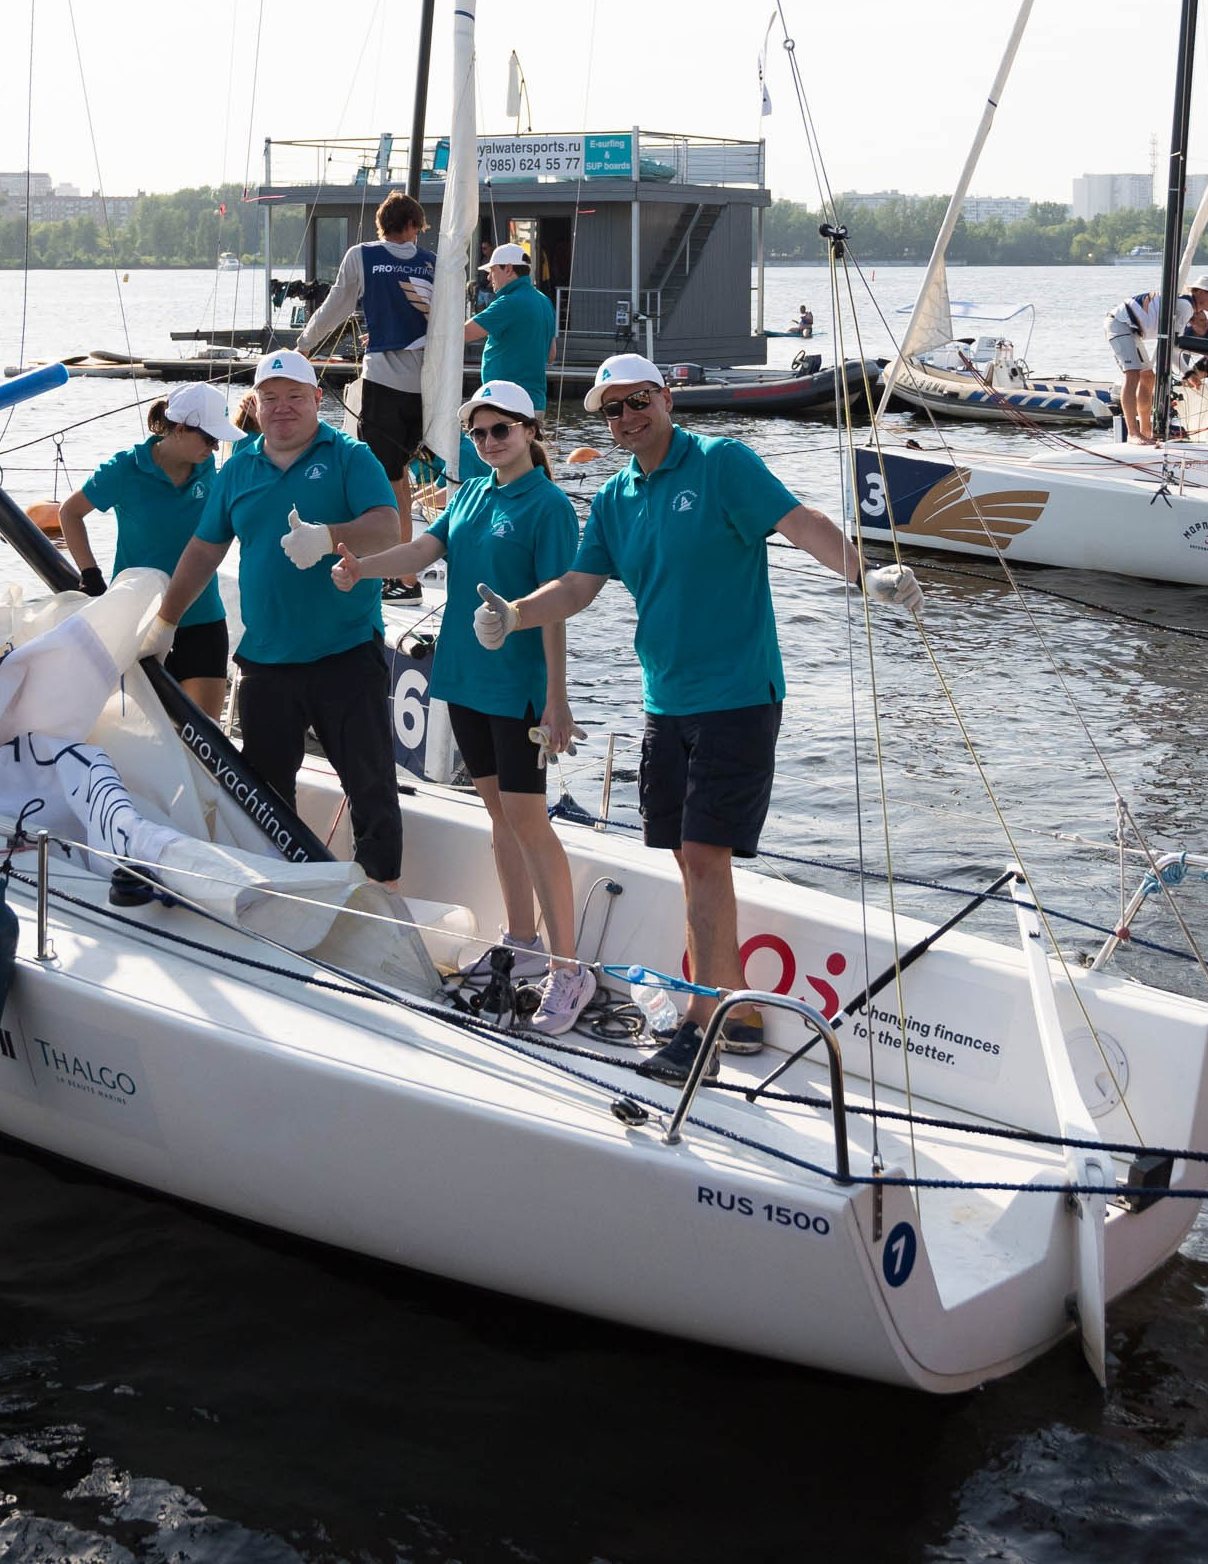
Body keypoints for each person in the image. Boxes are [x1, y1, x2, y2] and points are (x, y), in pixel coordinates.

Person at [465, 351, 916, 1087]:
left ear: (666, 397)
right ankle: (733, 1009)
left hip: (737, 695)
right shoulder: (613, 497)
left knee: (706, 856)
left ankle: (702, 1029)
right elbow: (579, 585)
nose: (626, 416)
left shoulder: (721, 463)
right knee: (684, 856)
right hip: (663, 702)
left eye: (638, 400)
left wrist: (867, 575)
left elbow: (800, 522)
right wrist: (515, 615)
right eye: (611, 409)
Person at [332, 379, 592, 1034]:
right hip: (467, 680)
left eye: (499, 430)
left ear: (530, 430)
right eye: (477, 434)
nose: (487, 443)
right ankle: (523, 940)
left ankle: (569, 969)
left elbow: (559, 603)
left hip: (519, 689)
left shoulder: (549, 506)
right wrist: (361, 568)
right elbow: (423, 549)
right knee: (500, 816)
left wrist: (557, 698)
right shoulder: (472, 492)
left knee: (531, 822)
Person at [155, 348, 406, 878]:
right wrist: (164, 623)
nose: (283, 408)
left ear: (318, 399)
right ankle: (285, 893)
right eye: (270, 398)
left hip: (346, 651)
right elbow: (204, 550)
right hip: (265, 661)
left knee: (370, 786)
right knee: (265, 794)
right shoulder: (238, 467)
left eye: (295, 396)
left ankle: (383, 902)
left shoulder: (350, 457)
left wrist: (330, 536)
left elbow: (388, 527)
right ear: (257, 405)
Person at [46, 385, 242, 718]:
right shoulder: (126, 468)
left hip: (203, 620)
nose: (214, 449)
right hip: (139, 623)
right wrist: (90, 575)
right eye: (209, 440)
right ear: (180, 430)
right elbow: (70, 512)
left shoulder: (208, 469)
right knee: (141, 734)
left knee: (206, 743)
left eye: (218, 442)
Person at [297, 189, 437, 530]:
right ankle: (402, 567)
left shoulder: (362, 256)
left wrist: (303, 346)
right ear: (410, 225)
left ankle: (398, 570)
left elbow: (335, 307)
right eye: (418, 229)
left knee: (384, 478)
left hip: (384, 384)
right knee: (400, 472)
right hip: (426, 389)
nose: (417, 236)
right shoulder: (434, 263)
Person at [1106, 279, 1208, 442]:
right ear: (1200, 292)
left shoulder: (1185, 305)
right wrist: (1188, 373)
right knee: (1132, 374)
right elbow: (1173, 346)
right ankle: (1133, 433)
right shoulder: (1185, 306)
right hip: (1120, 323)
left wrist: (1188, 374)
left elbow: (1172, 348)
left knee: (1148, 378)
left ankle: (1145, 431)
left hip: (1131, 329)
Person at [464, 242, 558, 417]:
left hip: (505, 403)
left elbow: (462, 335)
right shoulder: (544, 301)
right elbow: (551, 354)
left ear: (508, 269)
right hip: (535, 402)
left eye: (492, 271)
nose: (489, 278)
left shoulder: (508, 302)